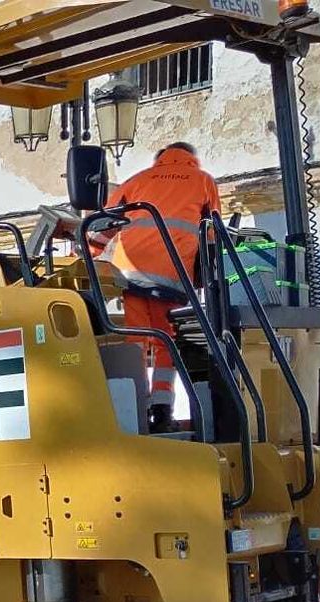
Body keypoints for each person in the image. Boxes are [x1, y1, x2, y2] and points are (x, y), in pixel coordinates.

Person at [97, 142, 222, 431]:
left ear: (159, 160)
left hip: (130, 270)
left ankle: (135, 408)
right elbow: (212, 232)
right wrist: (206, 275)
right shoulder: (203, 180)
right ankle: (162, 408)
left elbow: (103, 223)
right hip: (172, 272)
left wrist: (87, 255)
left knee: (136, 340)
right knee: (166, 341)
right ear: (193, 159)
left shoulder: (139, 179)